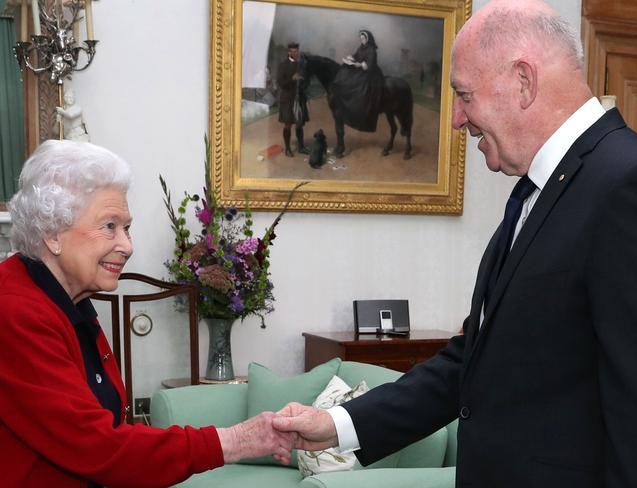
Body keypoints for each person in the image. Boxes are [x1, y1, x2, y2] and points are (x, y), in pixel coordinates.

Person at [274, 1, 637, 487]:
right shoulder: (537, 189)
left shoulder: (629, 184)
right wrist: (337, 425)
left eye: (464, 95)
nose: (455, 119)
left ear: (523, 81)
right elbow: (473, 362)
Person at [0, 140, 292, 487]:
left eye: (127, 228)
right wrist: (233, 441)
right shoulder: (14, 311)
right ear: (52, 233)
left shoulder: (70, 302)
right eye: (109, 226)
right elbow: (97, 447)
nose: (127, 245)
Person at [331, 30, 384, 132]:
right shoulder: (361, 47)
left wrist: (359, 65)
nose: (362, 40)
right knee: (346, 71)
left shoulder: (371, 49)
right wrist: (350, 58)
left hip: (371, 73)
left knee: (360, 84)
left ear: (368, 39)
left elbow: (370, 64)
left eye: (363, 39)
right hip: (361, 69)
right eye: (361, 39)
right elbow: (356, 56)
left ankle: (358, 106)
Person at [276, 41, 309, 157]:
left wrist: (303, 82)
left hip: (299, 99)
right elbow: (280, 83)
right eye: (293, 51)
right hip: (287, 99)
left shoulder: (301, 64)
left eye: (297, 51)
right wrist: (292, 79)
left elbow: (306, 81)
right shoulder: (283, 65)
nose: (295, 53)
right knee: (288, 124)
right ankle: (288, 149)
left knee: (299, 124)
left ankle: (301, 147)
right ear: (288, 52)